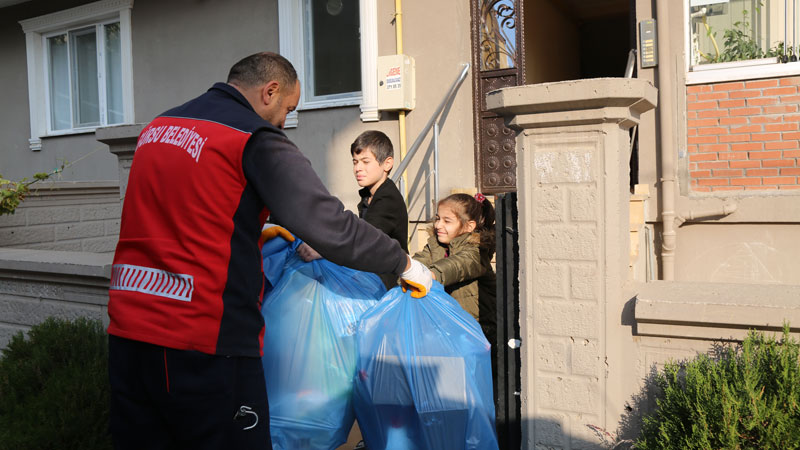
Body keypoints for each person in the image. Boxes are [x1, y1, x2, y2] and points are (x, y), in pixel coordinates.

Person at [106, 52, 432, 450]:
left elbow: (188, 213)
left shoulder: (159, 128)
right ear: (270, 91)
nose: (284, 122)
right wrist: (403, 262)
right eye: (288, 109)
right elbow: (326, 222)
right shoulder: (251, 137)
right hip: (205, 342)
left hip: (129, 331)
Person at [412, 193, 497, 342]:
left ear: (469, 226)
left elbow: (458, 265)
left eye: (447, 221)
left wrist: (432, 274)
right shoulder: (435, 245)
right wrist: (407, 271)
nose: (438, 225)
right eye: (438, 219)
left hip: (478, 331)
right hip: (446, 329)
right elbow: (419, 261)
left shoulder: (477, 250)